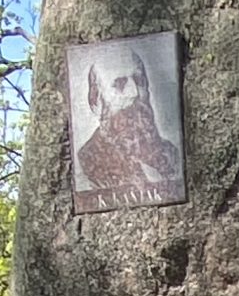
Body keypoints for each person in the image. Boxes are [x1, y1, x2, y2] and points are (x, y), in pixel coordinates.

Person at [73, 45, 182, 202]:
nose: (134, 93)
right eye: (119, 84)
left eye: (139, 81)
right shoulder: (86, 164)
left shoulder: (171, 153)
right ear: (95, 101)